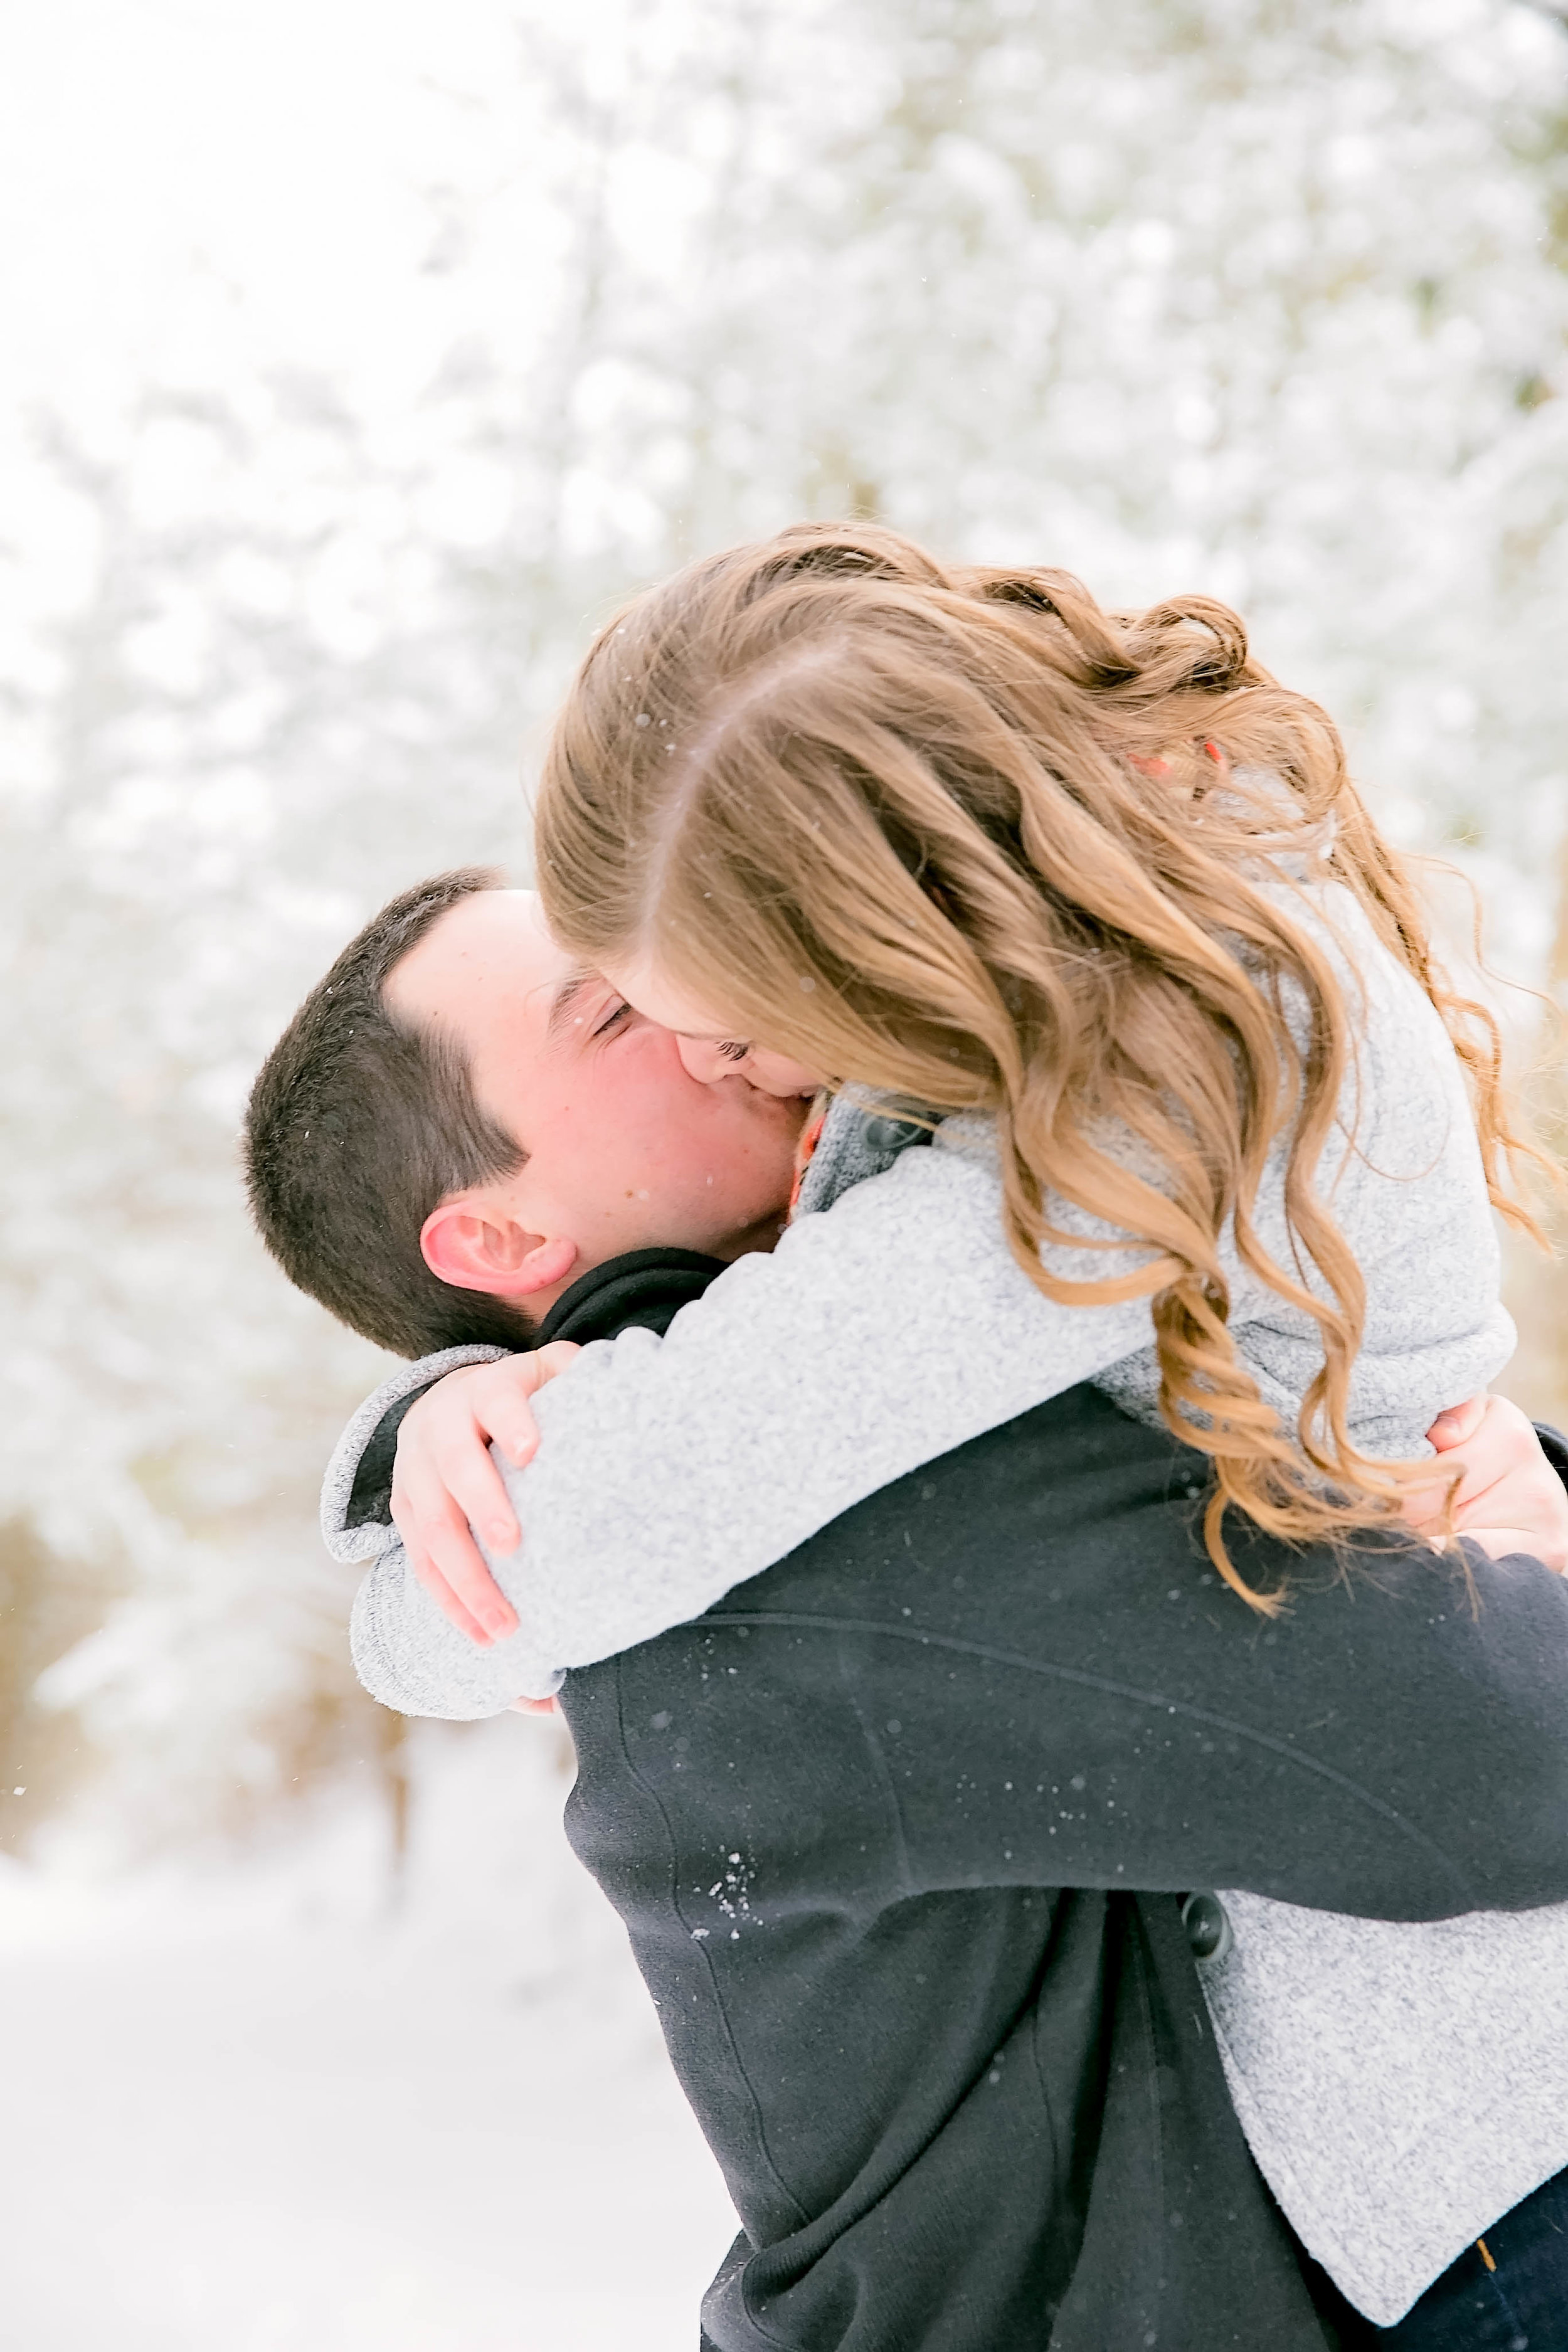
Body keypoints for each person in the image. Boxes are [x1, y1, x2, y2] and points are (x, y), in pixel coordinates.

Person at [247, 832, 1568, 2349]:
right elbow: (1483, 1755)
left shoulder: (707, 1473)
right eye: (608, 1011)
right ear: (497, 1238)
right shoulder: (801, 1525)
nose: (691, 990)